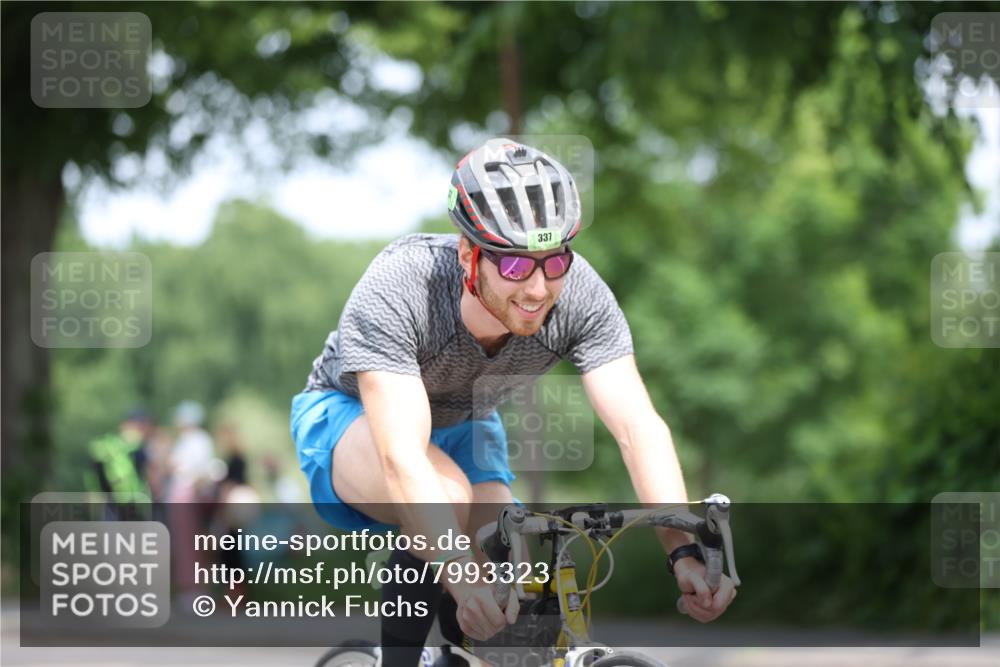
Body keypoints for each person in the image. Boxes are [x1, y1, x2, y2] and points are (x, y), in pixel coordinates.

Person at [291, 138, 736, 664]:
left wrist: (682, 549)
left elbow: (638, 427)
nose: (539, 289)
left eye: (554, 261)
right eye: (514, 267)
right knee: (446, 500)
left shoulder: (579, 296)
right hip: (353, 416)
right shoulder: (402, 284)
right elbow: (402, 458)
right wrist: (459, 574)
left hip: (468, 421)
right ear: (468, 255)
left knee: (512, 576)